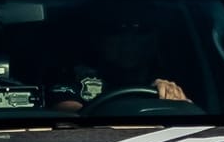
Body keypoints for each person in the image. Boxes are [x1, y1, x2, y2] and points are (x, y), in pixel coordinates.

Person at [50, 9, 192, 111]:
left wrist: (175, 101)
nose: (129, 40)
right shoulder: (74, 76)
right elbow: (66, 111)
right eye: (117, 30)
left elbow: (197, 116)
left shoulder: (177, 77)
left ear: (154, 39)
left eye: (141, 30)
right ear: (99, 39)